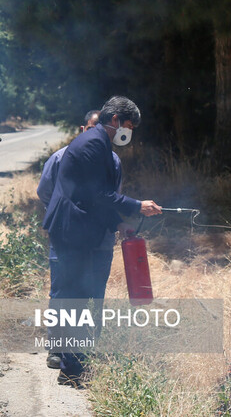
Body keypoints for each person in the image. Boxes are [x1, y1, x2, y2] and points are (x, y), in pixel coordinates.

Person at [41, 96, 162, 386]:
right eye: (129, 125)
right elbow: (99, 196)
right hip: (73, 232)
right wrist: (137, 205)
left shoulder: (97, 142)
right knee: (75, 298)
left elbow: (94, 200)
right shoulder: (95, 143)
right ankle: (72, 370)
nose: (128, 132)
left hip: (77, 229)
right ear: (116, 120)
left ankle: (74, 365)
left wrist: (118, 223)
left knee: (78, 297)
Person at [37, 110, 123, 371]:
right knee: (62, 292)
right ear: (83, 129)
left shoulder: (114, 160)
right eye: (91, 129)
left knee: (95, 293)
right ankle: (57, 349)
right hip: (67, 238)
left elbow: (113, 198)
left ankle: (86, 350)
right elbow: (45, 192)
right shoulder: (61, 157)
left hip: (99, 241)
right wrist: (68, 215)